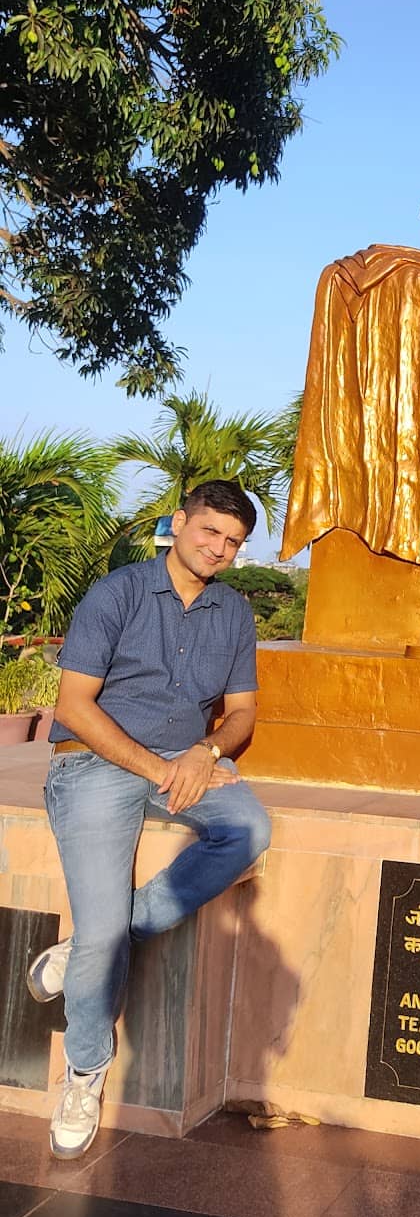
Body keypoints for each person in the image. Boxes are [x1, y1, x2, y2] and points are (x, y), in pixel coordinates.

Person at [26, 479, 272, 1160]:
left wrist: (207, 750)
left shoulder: (233, 612)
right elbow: (74, 707)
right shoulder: (119, 594)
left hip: (182, 765)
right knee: (102, 933)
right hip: (95, 762)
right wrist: (159, 767)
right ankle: (84, 1073)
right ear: (180, 523)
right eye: (210, 531)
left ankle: (90, 944)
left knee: (248, 829)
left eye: (233, 542)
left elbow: (243, 712)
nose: (218, 549)